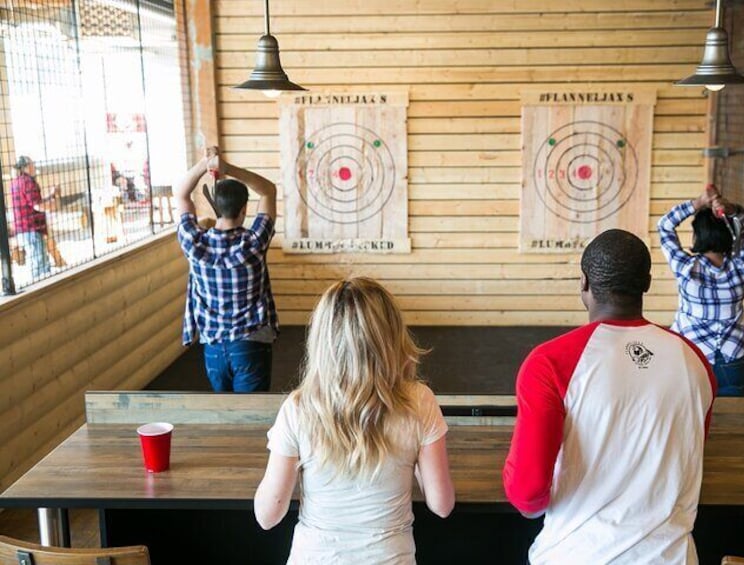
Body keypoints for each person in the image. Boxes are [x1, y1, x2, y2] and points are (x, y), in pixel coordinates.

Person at [503, 229, 716, 564]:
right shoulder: (694, 360)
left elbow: (527, 494)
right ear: (646, 283)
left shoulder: (549, 363)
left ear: (584, 284)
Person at [254, 277, 455, 564]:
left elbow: (267, 516)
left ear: (322, 339)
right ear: (392, 335)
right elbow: (442, 504)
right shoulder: (419, 401)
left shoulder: (298, 407)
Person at [176, 146, 279, 392]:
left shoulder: (194, 243)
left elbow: (180, 194)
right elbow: (268, 191)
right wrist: (228, 168)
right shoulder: (253, 243)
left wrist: (205, 164)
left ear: (215, 208)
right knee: (252, 416)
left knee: (226, 413)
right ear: (244, 210)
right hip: (251, 343)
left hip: (212, 347)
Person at [657, 185, 744, 396]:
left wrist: (697, 203)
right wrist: (730, 210)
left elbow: (665, 226)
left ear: (697, 237)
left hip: (690, 355)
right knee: (734, 419)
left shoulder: (685, 268)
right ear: (728, 236)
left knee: (690, 418)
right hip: (732, 357)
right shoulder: (742, 268)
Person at [10, 155, 58, 279]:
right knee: (40, 264)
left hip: (23, 228)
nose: (34, 166)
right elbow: (37, 205)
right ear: (26, 166)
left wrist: (50, 195)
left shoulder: (16, 181)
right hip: (31, 228)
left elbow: (32, 202)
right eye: (32, 164)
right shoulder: (28, 181)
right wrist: (52, 206)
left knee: (38, 260)